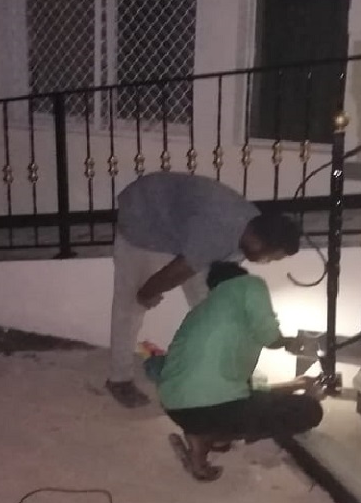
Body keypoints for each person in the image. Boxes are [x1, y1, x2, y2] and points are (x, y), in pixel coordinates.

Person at [108, 172, 301, 408]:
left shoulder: (250, 231)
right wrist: (146, 293)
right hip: (144, 217)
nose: (267, 262)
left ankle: (218, 370)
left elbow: (212, 283)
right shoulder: (218, 230)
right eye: (270, 257)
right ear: (258, 242)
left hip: (182, 227)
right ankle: (119, 379)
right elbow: (177, 271)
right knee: (130, 304)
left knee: (211, 305)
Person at [158, 261, 324, 481]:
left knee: (243, 401)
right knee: (310, 411)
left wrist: (294, 384)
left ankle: (205, 435)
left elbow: (245, 388)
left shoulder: (202, 311)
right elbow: (270, 336)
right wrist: (288, 345)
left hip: (176, 406)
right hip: (212, 407)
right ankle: (208, 436)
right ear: (239, 277)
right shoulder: (249, 284)